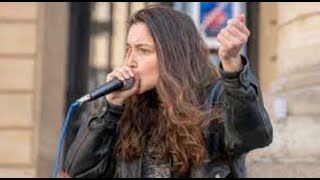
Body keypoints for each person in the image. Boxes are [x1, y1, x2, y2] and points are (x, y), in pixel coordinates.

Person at [62, 5, 273, 178]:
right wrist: (109, 109)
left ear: (173, 56)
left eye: (143, 50)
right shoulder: (125, 110)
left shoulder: (213, 97)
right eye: (129, 49)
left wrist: (233, 68)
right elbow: (80, 172)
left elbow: (254, 135)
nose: (130, 61)